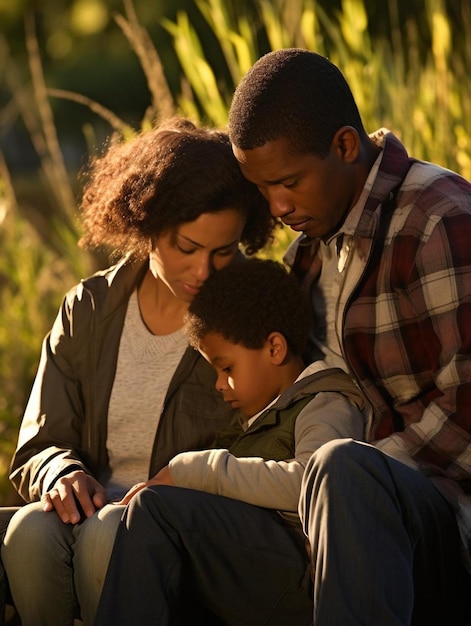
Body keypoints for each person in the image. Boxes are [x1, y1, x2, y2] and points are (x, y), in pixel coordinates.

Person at [0, 117, 278, 626]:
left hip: (183, 530)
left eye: (223, 252)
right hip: (85, 515)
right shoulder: (86, 309)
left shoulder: (256, 318)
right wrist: (59, 473)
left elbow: (269, 459)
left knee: (112, 537)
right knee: (26, 536)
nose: (203, 272)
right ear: (145, 226)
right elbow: (39, 442)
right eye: (186, 249)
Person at [228, 48, 471, 625]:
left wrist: (334, 482)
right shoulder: (306, 257)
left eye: (288, 183)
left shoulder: (441, 220)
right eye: (263, 190)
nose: (278, 207)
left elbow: (468, 411)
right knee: (160, 517)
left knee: (343, 469)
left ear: (344, 146)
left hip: (446, 525)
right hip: (333, 515)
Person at [93, 257, 367, 625]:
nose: (220, 384)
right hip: (252, 566)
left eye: (227, 368)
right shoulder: (258, 419)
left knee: (155, 508)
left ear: (274, 348)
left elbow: (313, 484)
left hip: (299, 583)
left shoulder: (325, 402)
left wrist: (197, 470)